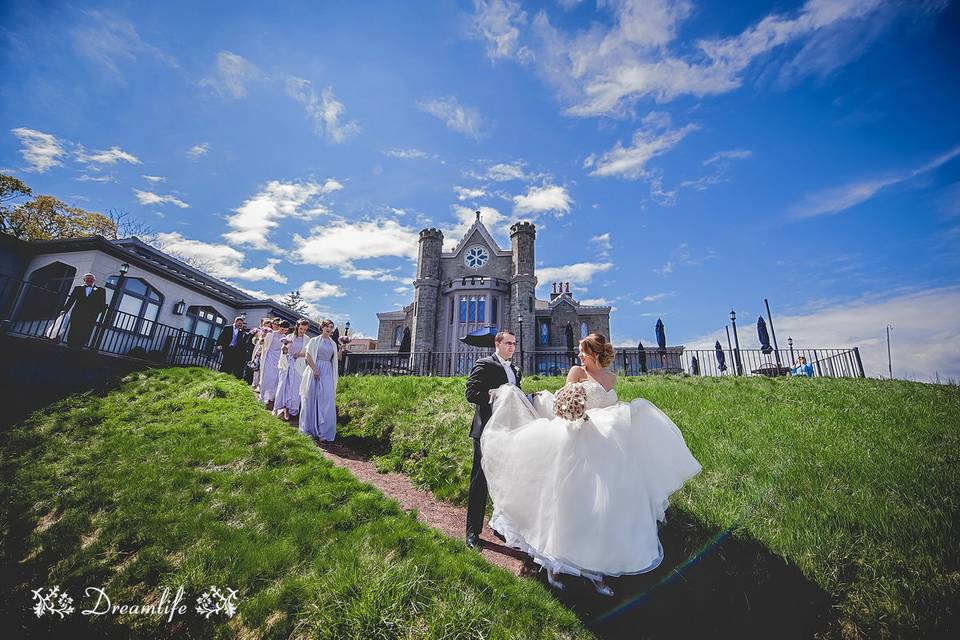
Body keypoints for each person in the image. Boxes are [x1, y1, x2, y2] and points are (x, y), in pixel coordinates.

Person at [480, 333, 701, 596]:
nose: (580, 356)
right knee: (569, 503)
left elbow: (612, 406)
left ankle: (599, 569)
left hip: (610, 449)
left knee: (604, 508)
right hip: (578, 441)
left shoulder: (611, 377)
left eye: (584, 351)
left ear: (595, 353)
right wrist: (569, 410)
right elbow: (560, 405)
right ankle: (555, 565)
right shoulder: (576, 372)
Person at [463, 330, 522, 551]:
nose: (512, 347)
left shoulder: (515, 370)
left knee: (508, 480)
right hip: (486, 431)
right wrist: (495, 396)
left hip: (508, 430)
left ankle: (503, 526)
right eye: (508, 343)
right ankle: (472, 532)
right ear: (497, 344)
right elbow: (471, 393)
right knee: (480, 481)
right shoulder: (484, 364)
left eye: (514, 344)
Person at [299, 318, 339, 443]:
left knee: (326, 399)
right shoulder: (314, 341)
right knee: (311, 397)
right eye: (327, 326)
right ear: (322, 327)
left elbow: (335, 359)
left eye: (331, 327)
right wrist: (315, 369)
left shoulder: (333, 344)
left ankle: (324, 432)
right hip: (314, 370)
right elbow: (308, 355)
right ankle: (309, 429)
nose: (329, 329)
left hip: (327, 372)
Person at [274, 319, 309, 421]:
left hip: (299, 365)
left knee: (295, 387)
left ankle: (293, 409)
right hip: (288, 364)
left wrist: (298, 355)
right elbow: (284, 351)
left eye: (305, 329)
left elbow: (308, 353)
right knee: (285, 385)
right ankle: (284, 409)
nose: (302, 331)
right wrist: (285, 349)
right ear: (297, 327)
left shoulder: (307, 339)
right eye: (301, 328)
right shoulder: (289, 337)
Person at [59, 273, 107, 348]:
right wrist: (65, 310)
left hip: (90, 315)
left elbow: (102, 303)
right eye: (87, 278)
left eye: (91, 279)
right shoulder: (78, 288)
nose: (89, 280)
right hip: (77, 313)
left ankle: (80, 346)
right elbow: (71, 300)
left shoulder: (101, 290)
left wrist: (96, 312)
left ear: (94, 280)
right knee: (74, 328)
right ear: (84, 280)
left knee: (86, 330)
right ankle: (70, 344)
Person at [258, 319, 285, 405]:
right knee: (267, 376)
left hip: (278, 358)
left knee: (275, 379)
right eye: (282, 329)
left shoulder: (285, 337)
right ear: (279, 327)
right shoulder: (271, 334)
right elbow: (262, 343)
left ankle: (270, 397)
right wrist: (262, 337)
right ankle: (262, 396)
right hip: (269, 356)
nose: (283, 331)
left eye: (285, 330)